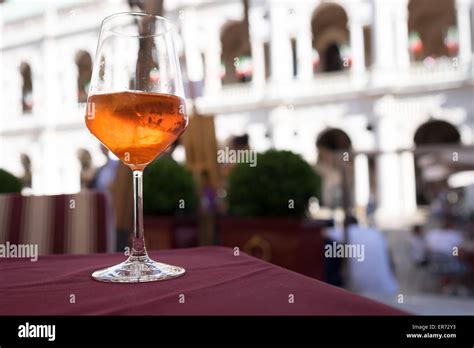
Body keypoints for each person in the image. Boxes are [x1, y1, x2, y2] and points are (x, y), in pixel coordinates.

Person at [326, 215, 399, 294]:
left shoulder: (345, 232)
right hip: (389, 289)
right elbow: (391, 261)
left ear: (344, 225)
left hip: (361, 292)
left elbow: (323, 233)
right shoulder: (375, 233)